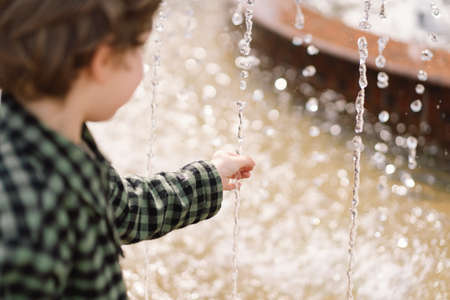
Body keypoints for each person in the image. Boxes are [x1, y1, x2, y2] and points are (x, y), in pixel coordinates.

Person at [0, 0, 255, 298]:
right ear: (103, 60)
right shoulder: (30, 221)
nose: (143, 69)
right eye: (137, 50)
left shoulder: (55, 142)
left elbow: (124, 208)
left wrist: (209, 177)